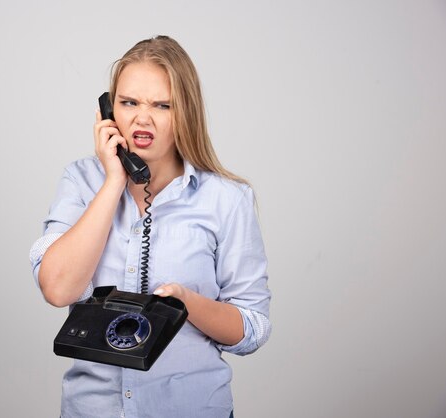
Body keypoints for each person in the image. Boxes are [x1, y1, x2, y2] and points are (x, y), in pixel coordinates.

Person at [29, 35, 271, 418]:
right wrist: (113, 182)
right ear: (109, 111)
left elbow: (252, 328)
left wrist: (187, 304)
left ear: (185, 112)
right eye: (129, 103)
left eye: (162, 105)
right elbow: (58, 289)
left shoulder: (227, 198)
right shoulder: (80, 180)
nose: (143, 118)